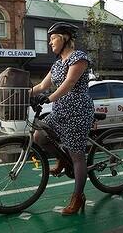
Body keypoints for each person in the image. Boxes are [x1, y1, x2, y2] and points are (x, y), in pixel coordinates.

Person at [31, 22, 94, 215]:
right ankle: (63, 160)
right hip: (60, 111)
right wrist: (23, 93)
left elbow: (70, 83)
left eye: (53, 38)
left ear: (65, 38)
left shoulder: (79, 57)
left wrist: (48, 98)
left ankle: (78, 196)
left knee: (77, 156)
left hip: (78, 110)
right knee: (39, 136)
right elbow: (42, 85)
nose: (50, 43)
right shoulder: (57, 63)